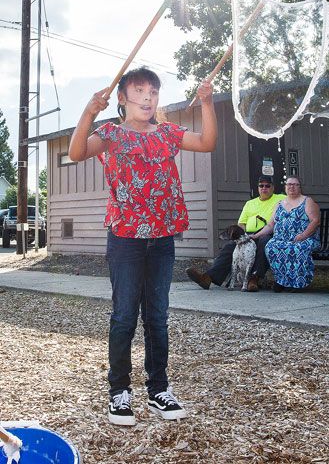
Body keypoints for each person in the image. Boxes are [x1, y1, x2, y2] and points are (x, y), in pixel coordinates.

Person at [68, 66, 217, 426]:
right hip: (124, 239)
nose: (148, 97)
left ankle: (158, 391)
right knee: (123, 316)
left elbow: (207, 143)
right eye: (139, 91)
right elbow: (75, 153)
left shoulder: (167, 133)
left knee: (157, 317)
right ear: (122, 98)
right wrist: (88, 112)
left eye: (153, 91)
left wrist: (208, 103)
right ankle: (119, 392)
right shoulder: (111, 134)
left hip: (161, 238)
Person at [186, 175, 285, 292]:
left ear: (273, 188)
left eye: (267, 186)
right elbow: (241, 224)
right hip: (248, 234)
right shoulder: (250, 203)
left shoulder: (281, 198)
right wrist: (242, 237)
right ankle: (208, 278)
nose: (264, 188)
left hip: (268, 233)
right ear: (258, 188)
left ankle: (254, 279)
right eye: (261, 186)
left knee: (264, 243)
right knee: (230, 246)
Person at [256, 176, 321, 291]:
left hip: (304, 238)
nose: (291, 187)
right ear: (285, 187)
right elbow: (271, 225)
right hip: (281, 239)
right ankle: (282, 281)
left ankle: (298, 283)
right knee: (271, 246)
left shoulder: (307, 201)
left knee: (296, 248)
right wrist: (255, 235)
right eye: (289, 184)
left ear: (300, 187)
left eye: (295, 184)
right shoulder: (279, 204)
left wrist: (303, 235)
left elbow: (315, 221)